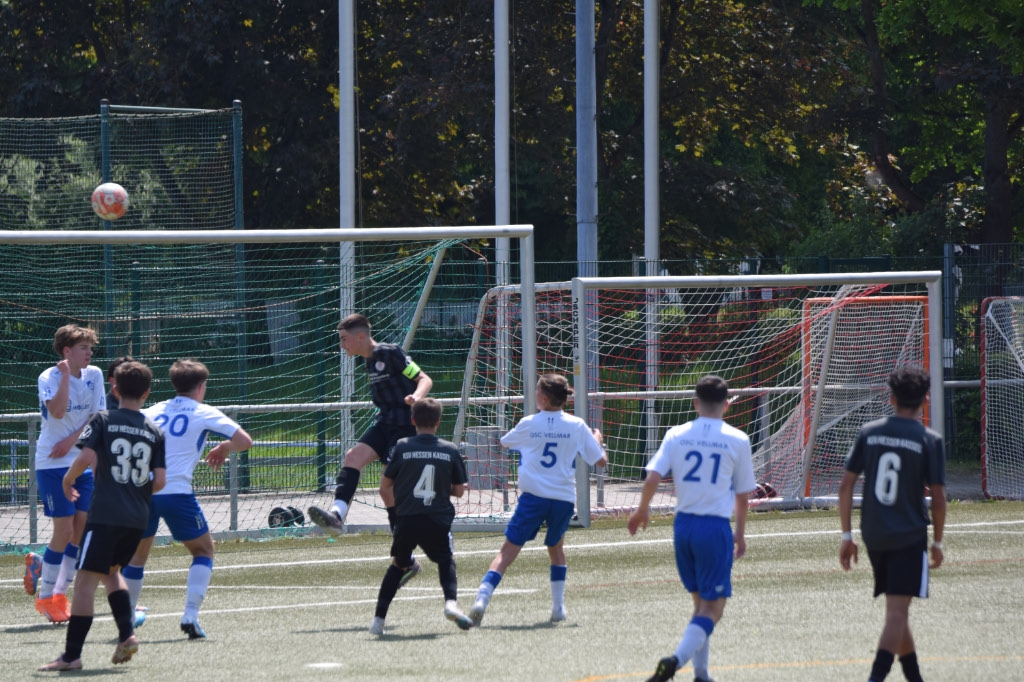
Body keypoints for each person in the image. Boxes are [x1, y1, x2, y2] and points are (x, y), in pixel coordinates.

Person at [38, 360, 166, 671]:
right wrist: (135, 492)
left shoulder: (104, 419)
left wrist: (68, 480)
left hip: (106, 513)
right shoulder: (154, 431)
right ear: (147, 393)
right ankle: (127, 635)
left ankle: (71, 656)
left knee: (85, 581)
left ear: (114, 389)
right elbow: (160, 480)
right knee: (111, 572)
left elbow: (85, 456)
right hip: (137, 517)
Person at [627, 375, 756, 682]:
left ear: (695, 403)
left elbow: (653, 476)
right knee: (714, 609)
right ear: (727, 404)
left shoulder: (676, 434)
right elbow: (742, 495)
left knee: (700, 604)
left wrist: (642, 509)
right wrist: (740, 533)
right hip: (713, 527)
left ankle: (702, 674)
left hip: (683, 526)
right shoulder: (737, 439)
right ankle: (674, 662)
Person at [120, 358, 253, 639]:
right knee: (203, 551)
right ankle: (190, 615)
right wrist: (225, 446)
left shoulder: (153, 410)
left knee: (137, 557)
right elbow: (245, 441)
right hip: (176, 492)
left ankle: (126, 621)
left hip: (142, 491)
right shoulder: (203, 411)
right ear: (201, 386)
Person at [469, 373, 607, 626]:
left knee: (508, 552)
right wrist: (597, 441)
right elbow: (600, 461)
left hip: (533, 498)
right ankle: (558, 607)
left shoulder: (529, 423)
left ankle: (482, 599)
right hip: (562, 499)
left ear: (543, 398)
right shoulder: (577, 425)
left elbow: (504, 443)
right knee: (556, 549)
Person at [838, 365, 946, 682]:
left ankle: (915, 678)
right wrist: (938, 542)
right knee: (897, 613)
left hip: (874, 534)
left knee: (897, 610)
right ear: (925, 400)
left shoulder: (869, 432)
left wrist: (846, 536)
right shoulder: (929, 439)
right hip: (908, 536)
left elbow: (845, 486)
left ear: (891, 398)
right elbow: (939, 498)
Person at [308, 314, 432, 541]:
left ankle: (406, 535)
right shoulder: (369, 362)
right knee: (352, 457)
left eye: (344, 339)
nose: (341, 345)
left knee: (387, 488)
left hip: (404, 426)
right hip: (384, 424)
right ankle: (336, 517)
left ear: (360, 337)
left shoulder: (391, 353)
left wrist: (416, 397)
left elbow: (424, 379)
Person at [369, 397, 472, 635]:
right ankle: (450, 603)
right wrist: (441, 486)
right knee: (446, 560)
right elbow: (459, 491)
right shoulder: (449, 449)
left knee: (398, 565)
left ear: (413, 420)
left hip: (407, 518)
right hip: (437, 518)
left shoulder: (402, 446)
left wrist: (396, 512)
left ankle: (378, 621)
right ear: (438, 422)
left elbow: (385, 485)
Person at [26, 324, 106, 623]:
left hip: (79, 460)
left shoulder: (94, 375)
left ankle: (58, 592)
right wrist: (63, 377)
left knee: (81, 530)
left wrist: (73, 440)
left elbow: (97, 416)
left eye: (90, 348)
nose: (90, 353)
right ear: (67, 351)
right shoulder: (49, 376)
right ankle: (46, 597)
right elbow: (58, 412)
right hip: (52, 463)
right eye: (84, 348)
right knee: (64, 530)